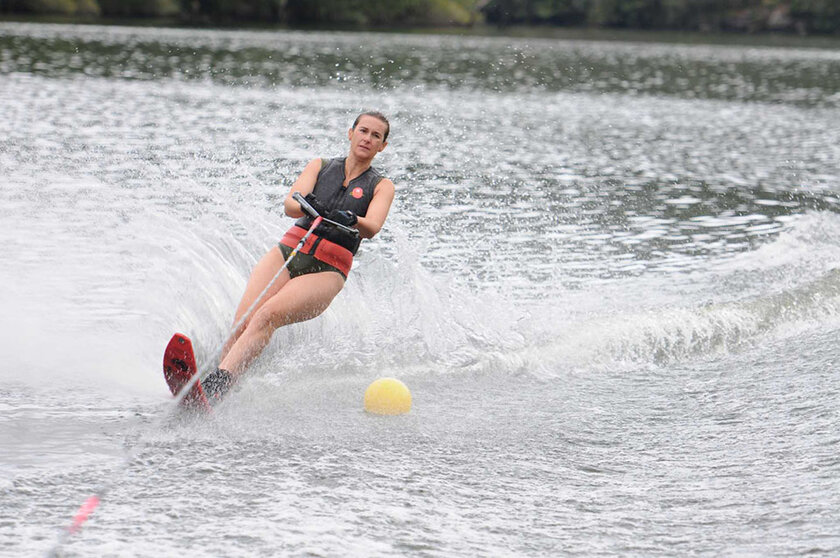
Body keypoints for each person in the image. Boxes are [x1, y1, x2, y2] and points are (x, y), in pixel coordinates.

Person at [201, 111, 395, 400]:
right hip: (288, 252)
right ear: (350, 132)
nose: (367, 138)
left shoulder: (382, 186)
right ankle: (215, 387)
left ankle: (220, 385)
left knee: (267, 316)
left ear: (382, 146)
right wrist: (307, 205)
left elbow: (373, 227)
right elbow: (291, 206)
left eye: (376, 136)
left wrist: (353, 219)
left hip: (327, 270)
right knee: (244, 320)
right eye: (363, 131)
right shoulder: (320, 165)